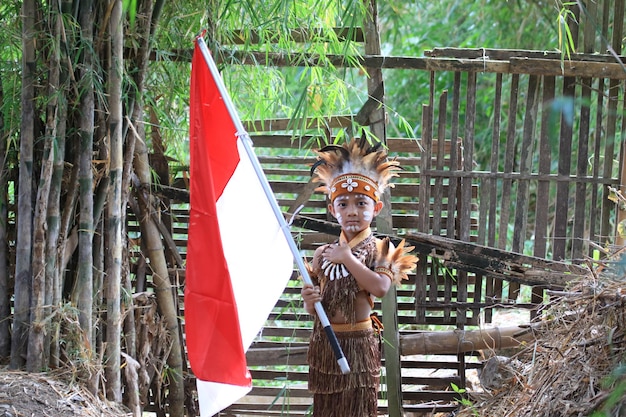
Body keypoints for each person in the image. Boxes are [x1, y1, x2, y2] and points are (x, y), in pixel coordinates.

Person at [301, 136, 418, 417]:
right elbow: (314, 308)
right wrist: (309, 300)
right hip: (325, 343)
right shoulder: (322, 254)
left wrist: (348, 259)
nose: (352, 211)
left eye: (361, 203)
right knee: (327, 408)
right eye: (343, 204)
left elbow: (380, 287)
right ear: (332, 210)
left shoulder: (382, 249)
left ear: (375, 208)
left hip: (359, 344)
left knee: (358, 407)